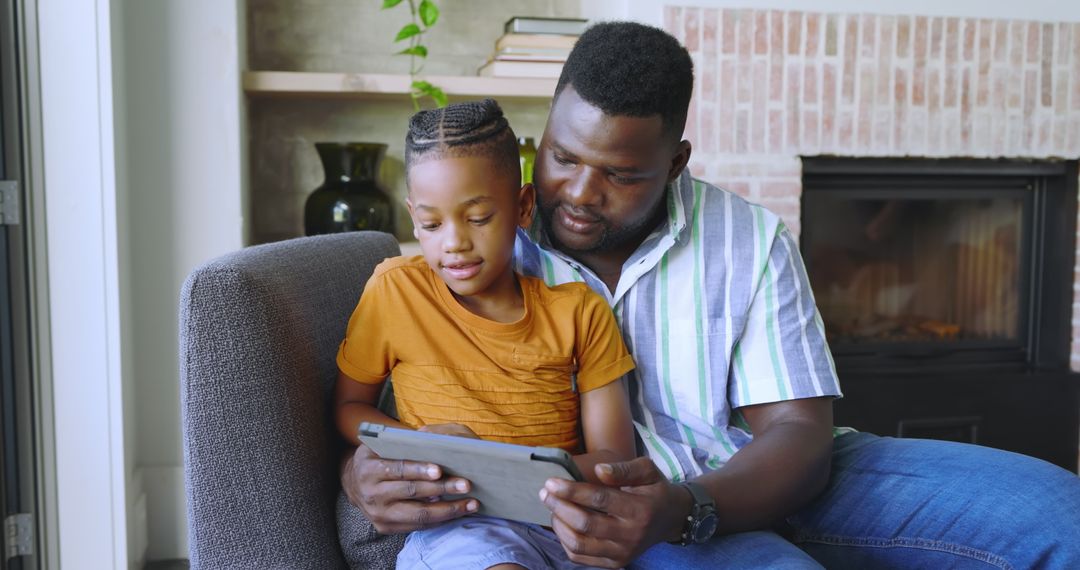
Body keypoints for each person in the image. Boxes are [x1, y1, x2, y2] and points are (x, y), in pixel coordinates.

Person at [340, 22, 1080, 569]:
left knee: (1059, 516)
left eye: (621, 174)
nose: (579, 193)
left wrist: (692, 507)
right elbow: (389, 401)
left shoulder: (747, 239)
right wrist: (359, 471)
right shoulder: (484, 233)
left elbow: (797, 429)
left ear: (675, 162)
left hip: (757, 477)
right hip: (597, 510)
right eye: (563, 156)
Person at [334, 98, 638, 569]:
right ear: (413, 215)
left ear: (522, 207)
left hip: (565, 523)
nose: (453, 242)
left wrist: (519, 474)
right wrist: (421, 448)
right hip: (459, 527)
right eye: (431, 225)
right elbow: (349, 407)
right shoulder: (395, 291)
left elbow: (613, 455)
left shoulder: (580, 312)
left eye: (477, 218)